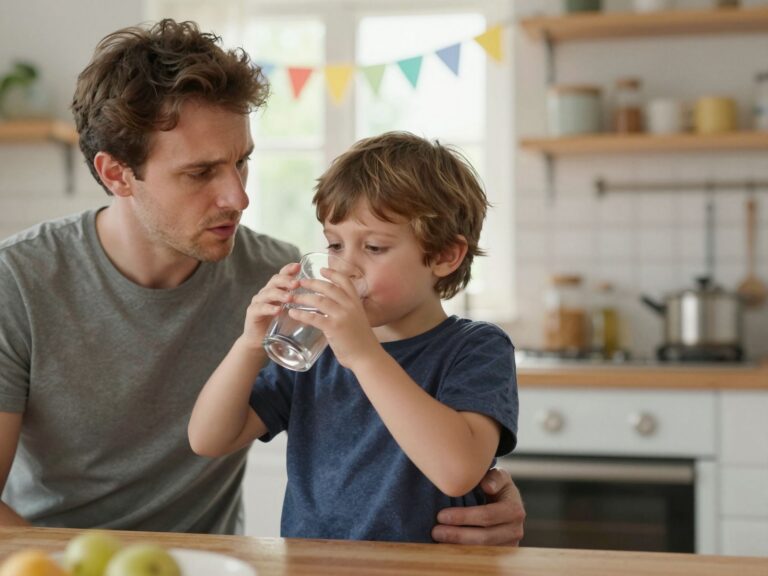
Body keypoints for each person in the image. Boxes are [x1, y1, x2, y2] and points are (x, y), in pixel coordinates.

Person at [0, 19, 524, 543]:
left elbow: (441, 456)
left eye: (243, 162)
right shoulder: (17, 282)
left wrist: (489, 497)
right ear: (116, 174)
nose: (239, 198)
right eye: (201, 172)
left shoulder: (287, 285)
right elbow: (209, 436)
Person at [188, 131, 519, 543]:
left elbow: (457, 471)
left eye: (375, 247)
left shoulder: (476, 348)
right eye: (335, 245)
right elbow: (208, 438)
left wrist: (364, 354)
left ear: (444, 256)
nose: (346, 268)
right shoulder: (318, 348)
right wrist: (249, 344)